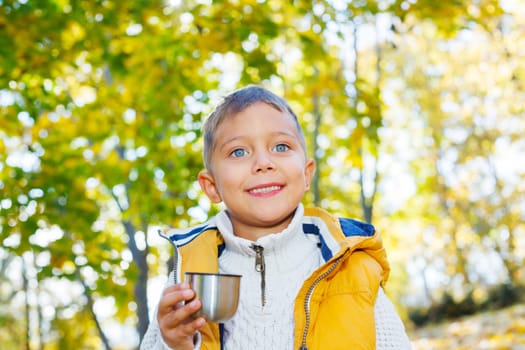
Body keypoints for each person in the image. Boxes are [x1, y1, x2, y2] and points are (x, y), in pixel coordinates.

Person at [140, 85, 411, 350]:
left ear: (306, 174)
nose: (263, 162)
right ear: (211, 187)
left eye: (280, 147)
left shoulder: (348, 264)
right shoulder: (190, 271)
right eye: (238, 152)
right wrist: (174, 343)